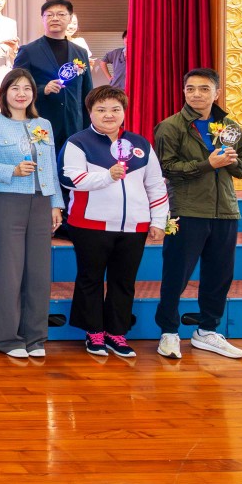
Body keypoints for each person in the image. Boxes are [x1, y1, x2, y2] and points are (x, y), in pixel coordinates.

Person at [153, 68, 242, 360]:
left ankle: (207, 330)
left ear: (217, 93)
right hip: (186, 210)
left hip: (226, 211)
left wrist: (229, 162)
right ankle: (169, 332)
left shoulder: (230, 127)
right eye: (191, 89)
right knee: (176, 274)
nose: (196, 94)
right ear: (184, 92)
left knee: (219, 275)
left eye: (204, 89)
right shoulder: (170, 126)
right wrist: (208, 163)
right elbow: (167, 168)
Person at [61, 86, 169, 358]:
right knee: (90, 278)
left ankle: (116, 333)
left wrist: (158, 220)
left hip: (134, 226)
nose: (108, 115)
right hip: (89, 224)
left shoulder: (140, 144)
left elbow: (156, 184)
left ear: (123, 112)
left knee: (124, 281)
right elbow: (71, 179)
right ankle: (94, 332)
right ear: (90, 112)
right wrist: (107, 176)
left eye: (115, 109)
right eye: (101, 109)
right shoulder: (78, 142)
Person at [0, 70, 64, 359]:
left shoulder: (43, 124)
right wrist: (11, 171)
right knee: (8, 273)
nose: (21, 93)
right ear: (4, 93)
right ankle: (7, 338)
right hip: (7, 202)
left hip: (41, 202)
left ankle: (35, 337)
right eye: (15, 88)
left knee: (39, 273)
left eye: (27, 88)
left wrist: (56, 204)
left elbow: (50, 166)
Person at [15, 0, 95, 186]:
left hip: (73, 123)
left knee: (72, 174)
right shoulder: (28, 51)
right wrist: (43, 89)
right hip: (40, 121)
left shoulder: (80, 53)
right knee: (43, 175)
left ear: (70, 18)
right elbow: (15, 86)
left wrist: (88, 128)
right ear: (42, 19)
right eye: (49, 15)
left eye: (61, 14)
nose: (55, 18)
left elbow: (87, 92)